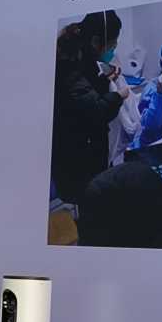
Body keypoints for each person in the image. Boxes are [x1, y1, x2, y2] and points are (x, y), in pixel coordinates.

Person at [51, 22, 129, 205]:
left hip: (81, 152)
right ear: (95, 42)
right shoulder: (69, 74)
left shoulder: (77, 59)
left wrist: (106, 81)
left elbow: (88, 92)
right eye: (112, 45)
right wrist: (118, 96)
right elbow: (96, 111)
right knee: (91, 200)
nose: (112, 51)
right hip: (75, 161)